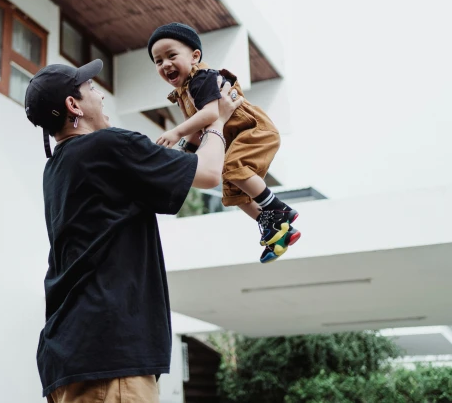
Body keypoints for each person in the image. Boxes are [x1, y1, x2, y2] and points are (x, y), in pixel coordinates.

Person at [24, 58, 242, 402]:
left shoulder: (59, 167)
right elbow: (211, 173)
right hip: (111, 360)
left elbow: (152, 176)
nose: (101, 97)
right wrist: (218, 121)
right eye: (92, 89)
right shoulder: (108, 146)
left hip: (69, 357)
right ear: (72, 105)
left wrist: (190, 139)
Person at [147, 22, 301, 264]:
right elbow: (197, 129)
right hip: (236, 138)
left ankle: (278, 209)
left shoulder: (202, 78)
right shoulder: (182, 95)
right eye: (158, 61)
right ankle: (278, 231)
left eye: (171, 55)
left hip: (254, 130)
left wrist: (176, 133)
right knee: (233, 193)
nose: (165, 64)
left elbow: (209, 115)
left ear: (195, 56)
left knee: (234, 169)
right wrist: (184, 154)